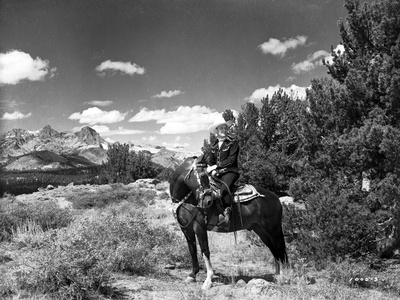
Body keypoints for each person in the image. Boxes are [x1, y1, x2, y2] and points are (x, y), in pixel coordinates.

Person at [206, 115, 240, 226]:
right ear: (217, 130)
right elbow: (210, 160)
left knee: (224, 189)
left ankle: (227, 216)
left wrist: (217, 167)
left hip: (231, 171)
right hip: (217, 173)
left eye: (225, 128)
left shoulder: (232, 143)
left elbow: (232, 159)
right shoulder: (213, 145)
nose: (224, 130)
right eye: (221, 128)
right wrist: (210, 168)